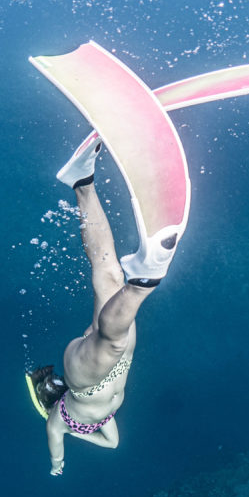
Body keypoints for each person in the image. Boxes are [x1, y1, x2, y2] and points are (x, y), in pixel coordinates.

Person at [27, 140, 173, 476]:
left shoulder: (57, 423)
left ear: (52, 404)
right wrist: (86, 434)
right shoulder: (98, 425)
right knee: (108, 274)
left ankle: (143, 281)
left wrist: (57, 466)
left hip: (85, 375)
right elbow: (113, 444)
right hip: (118, 366)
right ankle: (82, 182)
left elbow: (56, 458)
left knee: (113, 339)